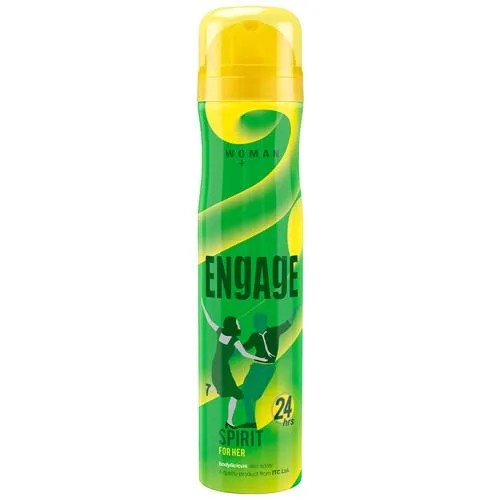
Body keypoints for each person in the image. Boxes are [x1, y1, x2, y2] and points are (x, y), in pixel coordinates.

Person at [201, 302, 267, 428]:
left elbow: (209, 321)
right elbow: (245, 354)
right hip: (222, 367)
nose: (238, 324)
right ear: (233, 326)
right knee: (235, 394)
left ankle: (210, 389)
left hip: (217, 365)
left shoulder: (220, 332)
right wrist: (260, 359)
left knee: (228, 391)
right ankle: (229, 421)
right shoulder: (234, 340)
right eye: (237, 323)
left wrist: (203, 306)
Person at [239, 310, 297, 428]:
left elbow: (287, 324)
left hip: (267, 368)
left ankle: (255, 420)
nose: (257, 326)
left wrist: (295, 310)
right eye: (255, 324)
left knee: (256, 395)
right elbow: (245, 347)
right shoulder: (254, 336)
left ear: (264, 323)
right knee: (245, 392)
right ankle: (251, 422)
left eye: (259, 323)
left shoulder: (273, 331)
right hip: (256, 367)